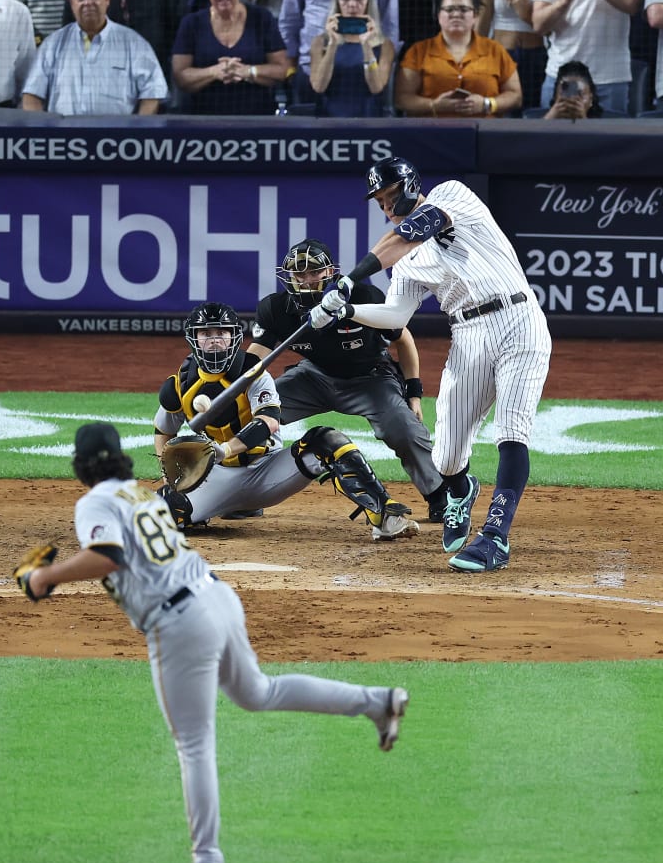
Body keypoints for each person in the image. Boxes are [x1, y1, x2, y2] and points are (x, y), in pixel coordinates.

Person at [11, 419, 409, 863]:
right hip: (216, 596)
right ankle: (377, 702)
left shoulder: (95, 501)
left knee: (194, 745)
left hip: (181, 622)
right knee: (259, 692)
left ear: (80, 465)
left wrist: (44, 579)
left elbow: (107, 555)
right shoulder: (138, 494)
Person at [311, 157, 553, 572]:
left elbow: (410, 232)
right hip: (468, 335)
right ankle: (461, 489)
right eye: (380, 203)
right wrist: (347, 311)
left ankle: (495, 537)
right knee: (445, 458)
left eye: (389, 197)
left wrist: (352, 276)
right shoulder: (406, 264)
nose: (386, 208)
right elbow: (395, 318)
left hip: (520, 320)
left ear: (409, 185)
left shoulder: (451, 195)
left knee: (512, 431)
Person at [151, 301, 418, 535]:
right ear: (193, 338)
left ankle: (385, 516)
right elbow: (163, 428)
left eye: (221, 332)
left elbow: (268, 422)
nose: (214, 340)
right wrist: (170, 478)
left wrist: (225, 449)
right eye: (205, 334)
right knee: (155, 517)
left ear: (234, 337)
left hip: (266, 471)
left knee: (326, 440)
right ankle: (212, 508)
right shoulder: (180, 383)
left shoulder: (254, 372)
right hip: (216, 479)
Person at [247, 237, 447, 521]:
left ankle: (440, 495)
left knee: (403, 428)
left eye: (313, 272)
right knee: (247, 412)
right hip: (313, 377)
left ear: (330, 273)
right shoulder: (277, 309)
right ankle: (244, 494)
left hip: (371, 378)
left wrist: (413, 393)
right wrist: (231, 384)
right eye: (298, 274)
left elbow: (404, 339)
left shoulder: (363, 297)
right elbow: (254, 360)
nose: (305, 280)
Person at [22, 0, 169, 112]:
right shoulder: (52, 45)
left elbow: (153, 93)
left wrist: (139, 131)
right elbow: (31, 95)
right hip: (65, 134)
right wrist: (43, 131)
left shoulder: (134, 44)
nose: (88, 3)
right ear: (72, 4)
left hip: (117, 135)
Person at [171, 0, 292, 113]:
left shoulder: (262, 18)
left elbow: (282, 69)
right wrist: (214, 72)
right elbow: (180, 76)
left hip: (256, 117)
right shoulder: (192, 23)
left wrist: (248, 71)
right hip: (202, 119)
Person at [395, 0, 521, 116]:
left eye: (463, 9)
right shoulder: (418, 52)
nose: (456, 14)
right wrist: (434, 105)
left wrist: (487, 104)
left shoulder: (496, 51)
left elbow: (515, 96)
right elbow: (402, 99)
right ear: (439, 16)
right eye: (449, 9)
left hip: (484, 132)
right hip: (431, 132)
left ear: (475, 16)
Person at [307, 0, 394, 114]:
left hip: (368, 118)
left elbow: (376, 87)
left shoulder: (384, 45)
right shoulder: (320, 42)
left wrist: (366, 46)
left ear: (368, 1)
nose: (352, 4)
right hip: (329, 118)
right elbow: (319, 86)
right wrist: (332, 45)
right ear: (338, 1)